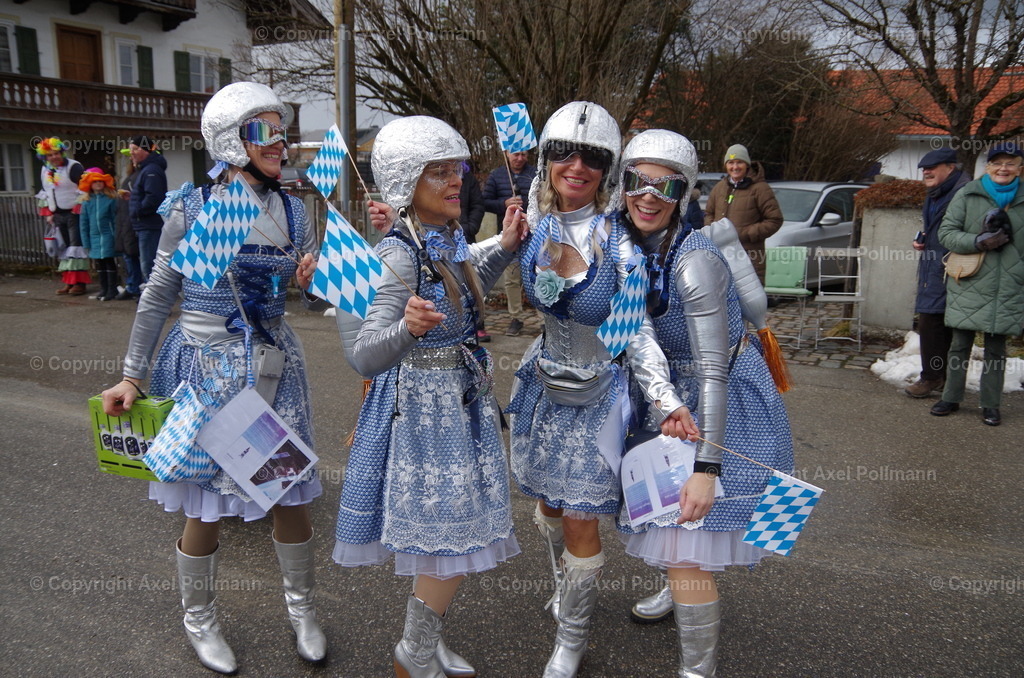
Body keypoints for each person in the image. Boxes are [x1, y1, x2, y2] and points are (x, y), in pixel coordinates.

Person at [101, 82, 328, 674]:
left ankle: (302, 610)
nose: (278, 142)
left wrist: (310, 282)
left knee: (286, 494)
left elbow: (309, 298)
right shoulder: (191, 207)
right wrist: (132, 377)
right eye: (262, 131)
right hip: (208, 367)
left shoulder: (294, 210)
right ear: (231, 140)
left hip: (274, 369)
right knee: (207, 505)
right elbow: (157, 298)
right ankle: (199, 618)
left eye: (281, 129)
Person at [332, 115, 529, 678]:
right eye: (437, 172)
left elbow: (464, 286)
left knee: (448, 540)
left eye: (457, 169)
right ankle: (411, 658)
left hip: (457, 403)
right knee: (450, 541)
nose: (454, 182)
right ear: (404, 182)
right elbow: (364, 355)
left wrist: (508, 245)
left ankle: (426, 638)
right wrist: (407, 329)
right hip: (422, 413)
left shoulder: (443, 236)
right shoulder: (398, 253)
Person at [505, 101, 695, 678]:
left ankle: (572, 638)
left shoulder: (619, 244)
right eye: (564, 153)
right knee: (548, 506)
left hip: (596, 396)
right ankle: (564, 589)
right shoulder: (535, 225)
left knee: (583, 518)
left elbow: (635, 333)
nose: (577, 165)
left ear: (609, 168)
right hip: (542, 385)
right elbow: (460, 270)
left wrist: (667, 402)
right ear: (546, 160)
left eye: (593, 157)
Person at [613, 130, 794, 677]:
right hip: (672, 399)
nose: (648, 196)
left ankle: (698, 672)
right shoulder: (631, 243)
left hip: (715, 405)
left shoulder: (694, 262)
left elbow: (714, 370)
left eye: (665, 186)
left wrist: (708, 468)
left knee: (689, 534)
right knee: (668, 524)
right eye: (635, 182)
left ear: (685, 192)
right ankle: (675, 587)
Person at [931, 143, 1024, 427]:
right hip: (970, 278)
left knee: (997, 347)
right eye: (997, 163)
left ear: (1020, 168)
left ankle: (991, 404)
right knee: (959, 345)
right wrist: (976, 241)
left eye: (1011, 163)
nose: (1003, 169)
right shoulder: (967, 194)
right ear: (988, 167)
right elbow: (946, 234)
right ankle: (951, 397)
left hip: (1010, 283)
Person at [905, 148, 970, 398]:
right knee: (932, 320)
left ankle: (934, 378)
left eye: (932, 167)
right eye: (924, 169)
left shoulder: (964, 193)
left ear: (951, 167)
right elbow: (933, 227)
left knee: (937, 323)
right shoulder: (936, 193)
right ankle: (937, 376)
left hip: (957, 267)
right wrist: (922, 238)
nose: (926, 172)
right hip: (934, 266)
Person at [703, 144, 783, 282]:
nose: (735, 167)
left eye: (739, 162)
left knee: (748, 302)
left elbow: (775, 220)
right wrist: (714, 230)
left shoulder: (760, 189)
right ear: (726, 165)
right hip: (720, 256)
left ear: (747, 164)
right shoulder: (719, 187)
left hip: (749, 257)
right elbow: (708, 213)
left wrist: (747, 233)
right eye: (731, 162)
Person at [483, 149, 537, 335]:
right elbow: (484, 202)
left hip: (535, 236)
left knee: (539, 277)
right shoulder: (497, 175)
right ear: (506, 154)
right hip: (509, 235)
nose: (520, 158)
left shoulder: (535, 174)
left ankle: (546, 318)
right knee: (512, 280)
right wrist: (503, 204)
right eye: (516, 154)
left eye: (524, 154)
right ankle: (516, 318)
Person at [35, 137, 90, 295]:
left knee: (75, 247)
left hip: (74, 213)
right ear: (45, 156)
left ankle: (79, 283)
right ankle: (69, 281)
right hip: (57, 214)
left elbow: (85, 188)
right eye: (50, 155)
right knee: (64, 249)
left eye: (56, 153)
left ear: (62, 152)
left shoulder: (73, 167)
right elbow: (46, 192)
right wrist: (48, 212)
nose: (54, 157)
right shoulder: (45, 170)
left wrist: (78, 207)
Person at [126, 134, 168, 281]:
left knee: (148, 265)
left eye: (135, 149)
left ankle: (153, 299)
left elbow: (154, 198)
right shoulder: (146, 169)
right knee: (146, 263)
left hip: (149, 224)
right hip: (144, 224)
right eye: (131, 149)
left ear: (147, 150)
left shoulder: (151, 170)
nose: (131, 152)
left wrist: (138, 210)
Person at [458, 160, 491, 341]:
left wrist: (470, 227)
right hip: (438, 237)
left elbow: (478, 205)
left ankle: (478, 325)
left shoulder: (468, 178)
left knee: (472, 281)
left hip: (465, 237)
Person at [77, 167, 120, 301]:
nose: (98, 184)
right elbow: (83, 223)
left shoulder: (110, 199)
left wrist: (116, 237)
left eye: (100, 181)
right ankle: (103, 289)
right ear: (90, 184)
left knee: (109, 261)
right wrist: (86, 242)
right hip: (94, 236)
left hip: (108, 235)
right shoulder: (87, 202)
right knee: (99, 263)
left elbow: (115, 220)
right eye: (95, 182)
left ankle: (111, 290)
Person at [114, 155, 143, 300]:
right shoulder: (130, 178)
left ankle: (139, 287)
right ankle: (132, 285)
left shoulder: (142, 176)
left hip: (134, 221)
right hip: (125, 220)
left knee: (137, 257)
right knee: (128, 256)